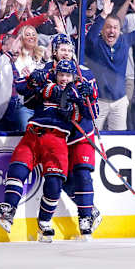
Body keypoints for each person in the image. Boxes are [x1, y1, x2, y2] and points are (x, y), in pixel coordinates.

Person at [0, 59, 90, 242]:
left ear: (73, 77)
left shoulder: (77, 95)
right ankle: (8, 211)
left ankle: (44, 222)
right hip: (33, 135)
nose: (64, 78)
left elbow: (89, 115)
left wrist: (85, 99)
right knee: (17, 170)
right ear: (56, 74)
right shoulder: (47, 86)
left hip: (57, 141)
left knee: (54, 185)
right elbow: (23, 89)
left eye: (68, 75)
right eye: (61, 74)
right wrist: (32, 79)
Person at [41, 33, 102, 237]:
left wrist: (89, 97)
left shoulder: (86, 74)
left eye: (69, 49)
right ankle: (90, 209)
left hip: (81, 132)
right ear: (55, 51)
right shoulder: (48, 72)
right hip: (59, 134)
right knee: (63, 180)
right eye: (62, 49)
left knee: (83, 174)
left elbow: (95, 112)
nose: (66, 53)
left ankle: (85, 219)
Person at [85, 0, 135, 130]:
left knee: (119, 138)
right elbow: (89, 38)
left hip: (119, 101)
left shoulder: (125, 41)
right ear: (102, 30)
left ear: (120, 30)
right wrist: (103, 14)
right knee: (93, 136)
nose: (111, 30)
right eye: (108, 27)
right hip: (98, 102)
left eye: (115, 27)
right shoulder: (96, 44)